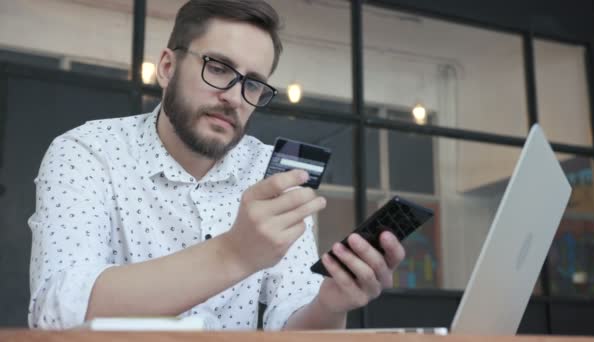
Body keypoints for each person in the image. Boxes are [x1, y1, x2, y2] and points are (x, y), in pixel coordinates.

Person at [28, 0, 406, 330]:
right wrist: (235, 254)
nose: (234, 98)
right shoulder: (87, 152)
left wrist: (330, 303)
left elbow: (291, 326)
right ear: (166, 67)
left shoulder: (269, 172)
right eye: (219, 68)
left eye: (253, 84)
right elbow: (58, 310)